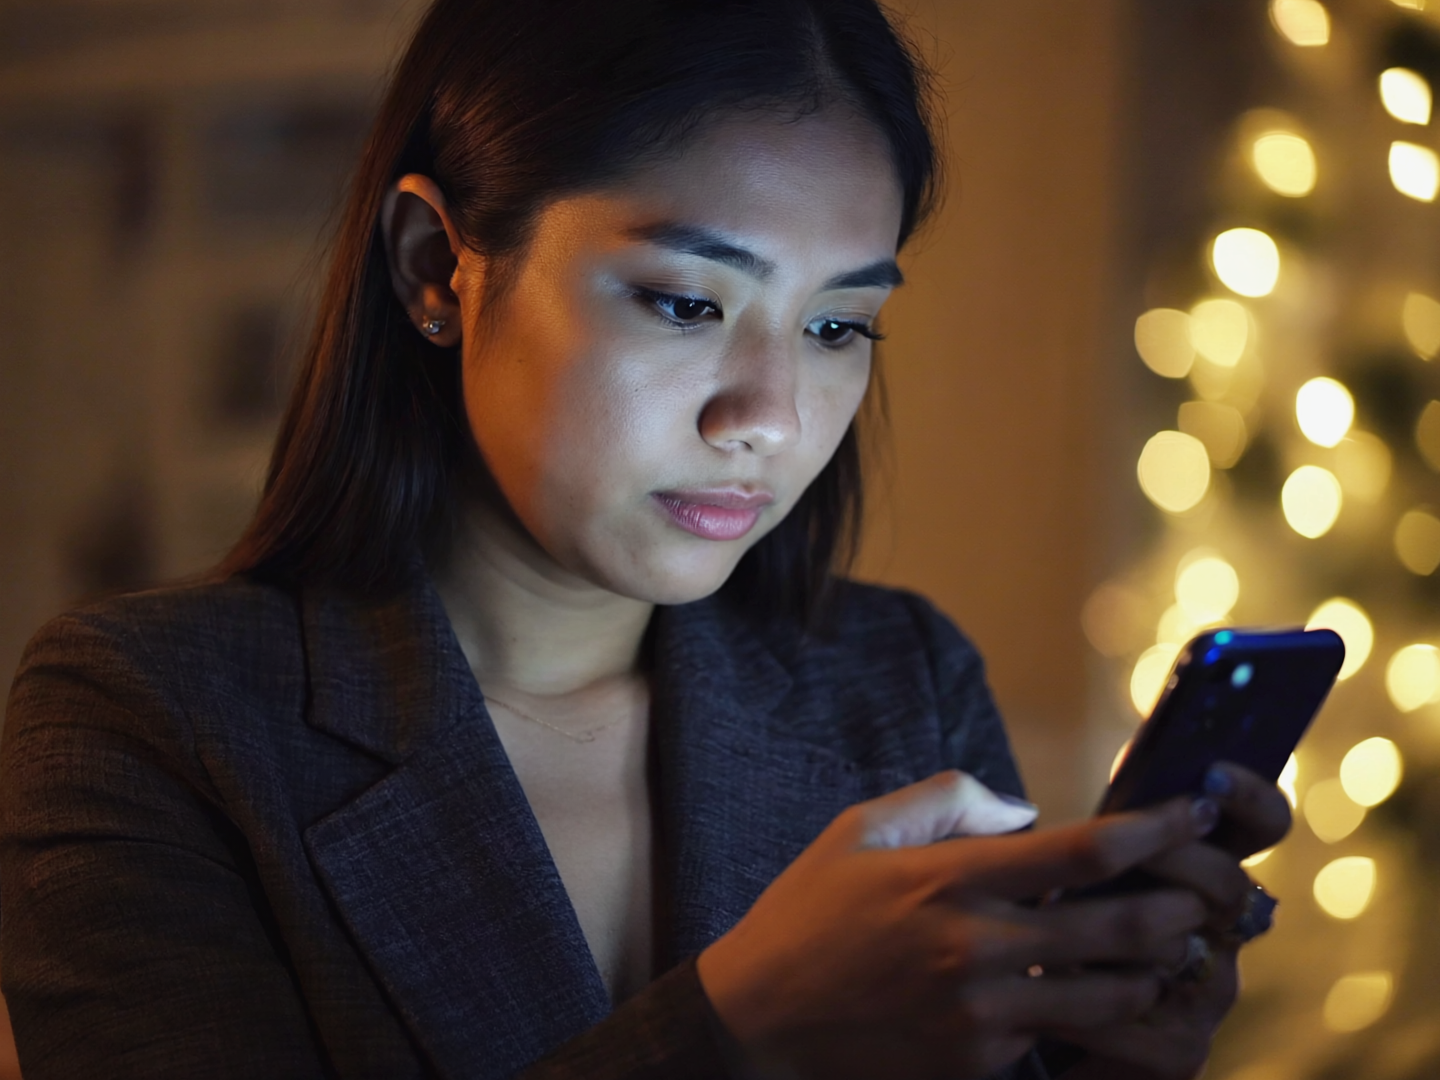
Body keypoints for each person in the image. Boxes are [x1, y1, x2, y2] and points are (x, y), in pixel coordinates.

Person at [0, 1, 1291, 1077]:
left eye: (837, 328)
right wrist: (741, 1033)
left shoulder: (895, 682)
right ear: (433, 269)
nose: (769, 418)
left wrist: (1102, 1058)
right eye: (684, 301)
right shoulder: (150, 719)